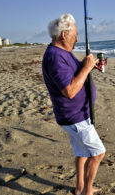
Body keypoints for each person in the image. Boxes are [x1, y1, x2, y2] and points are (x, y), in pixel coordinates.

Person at [42, 13, 106, 195]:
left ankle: (80, 188)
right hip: (75, 117)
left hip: (76, 115)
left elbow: (74, 75)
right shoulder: (55, 57)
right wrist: (85, 68)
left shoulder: (63, 53)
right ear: (64, 34)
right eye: (74, 34)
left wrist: (88, 66)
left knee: (82, 152)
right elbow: (69, 91)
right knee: (98, 153)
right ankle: (87, 192)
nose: (77, 38)